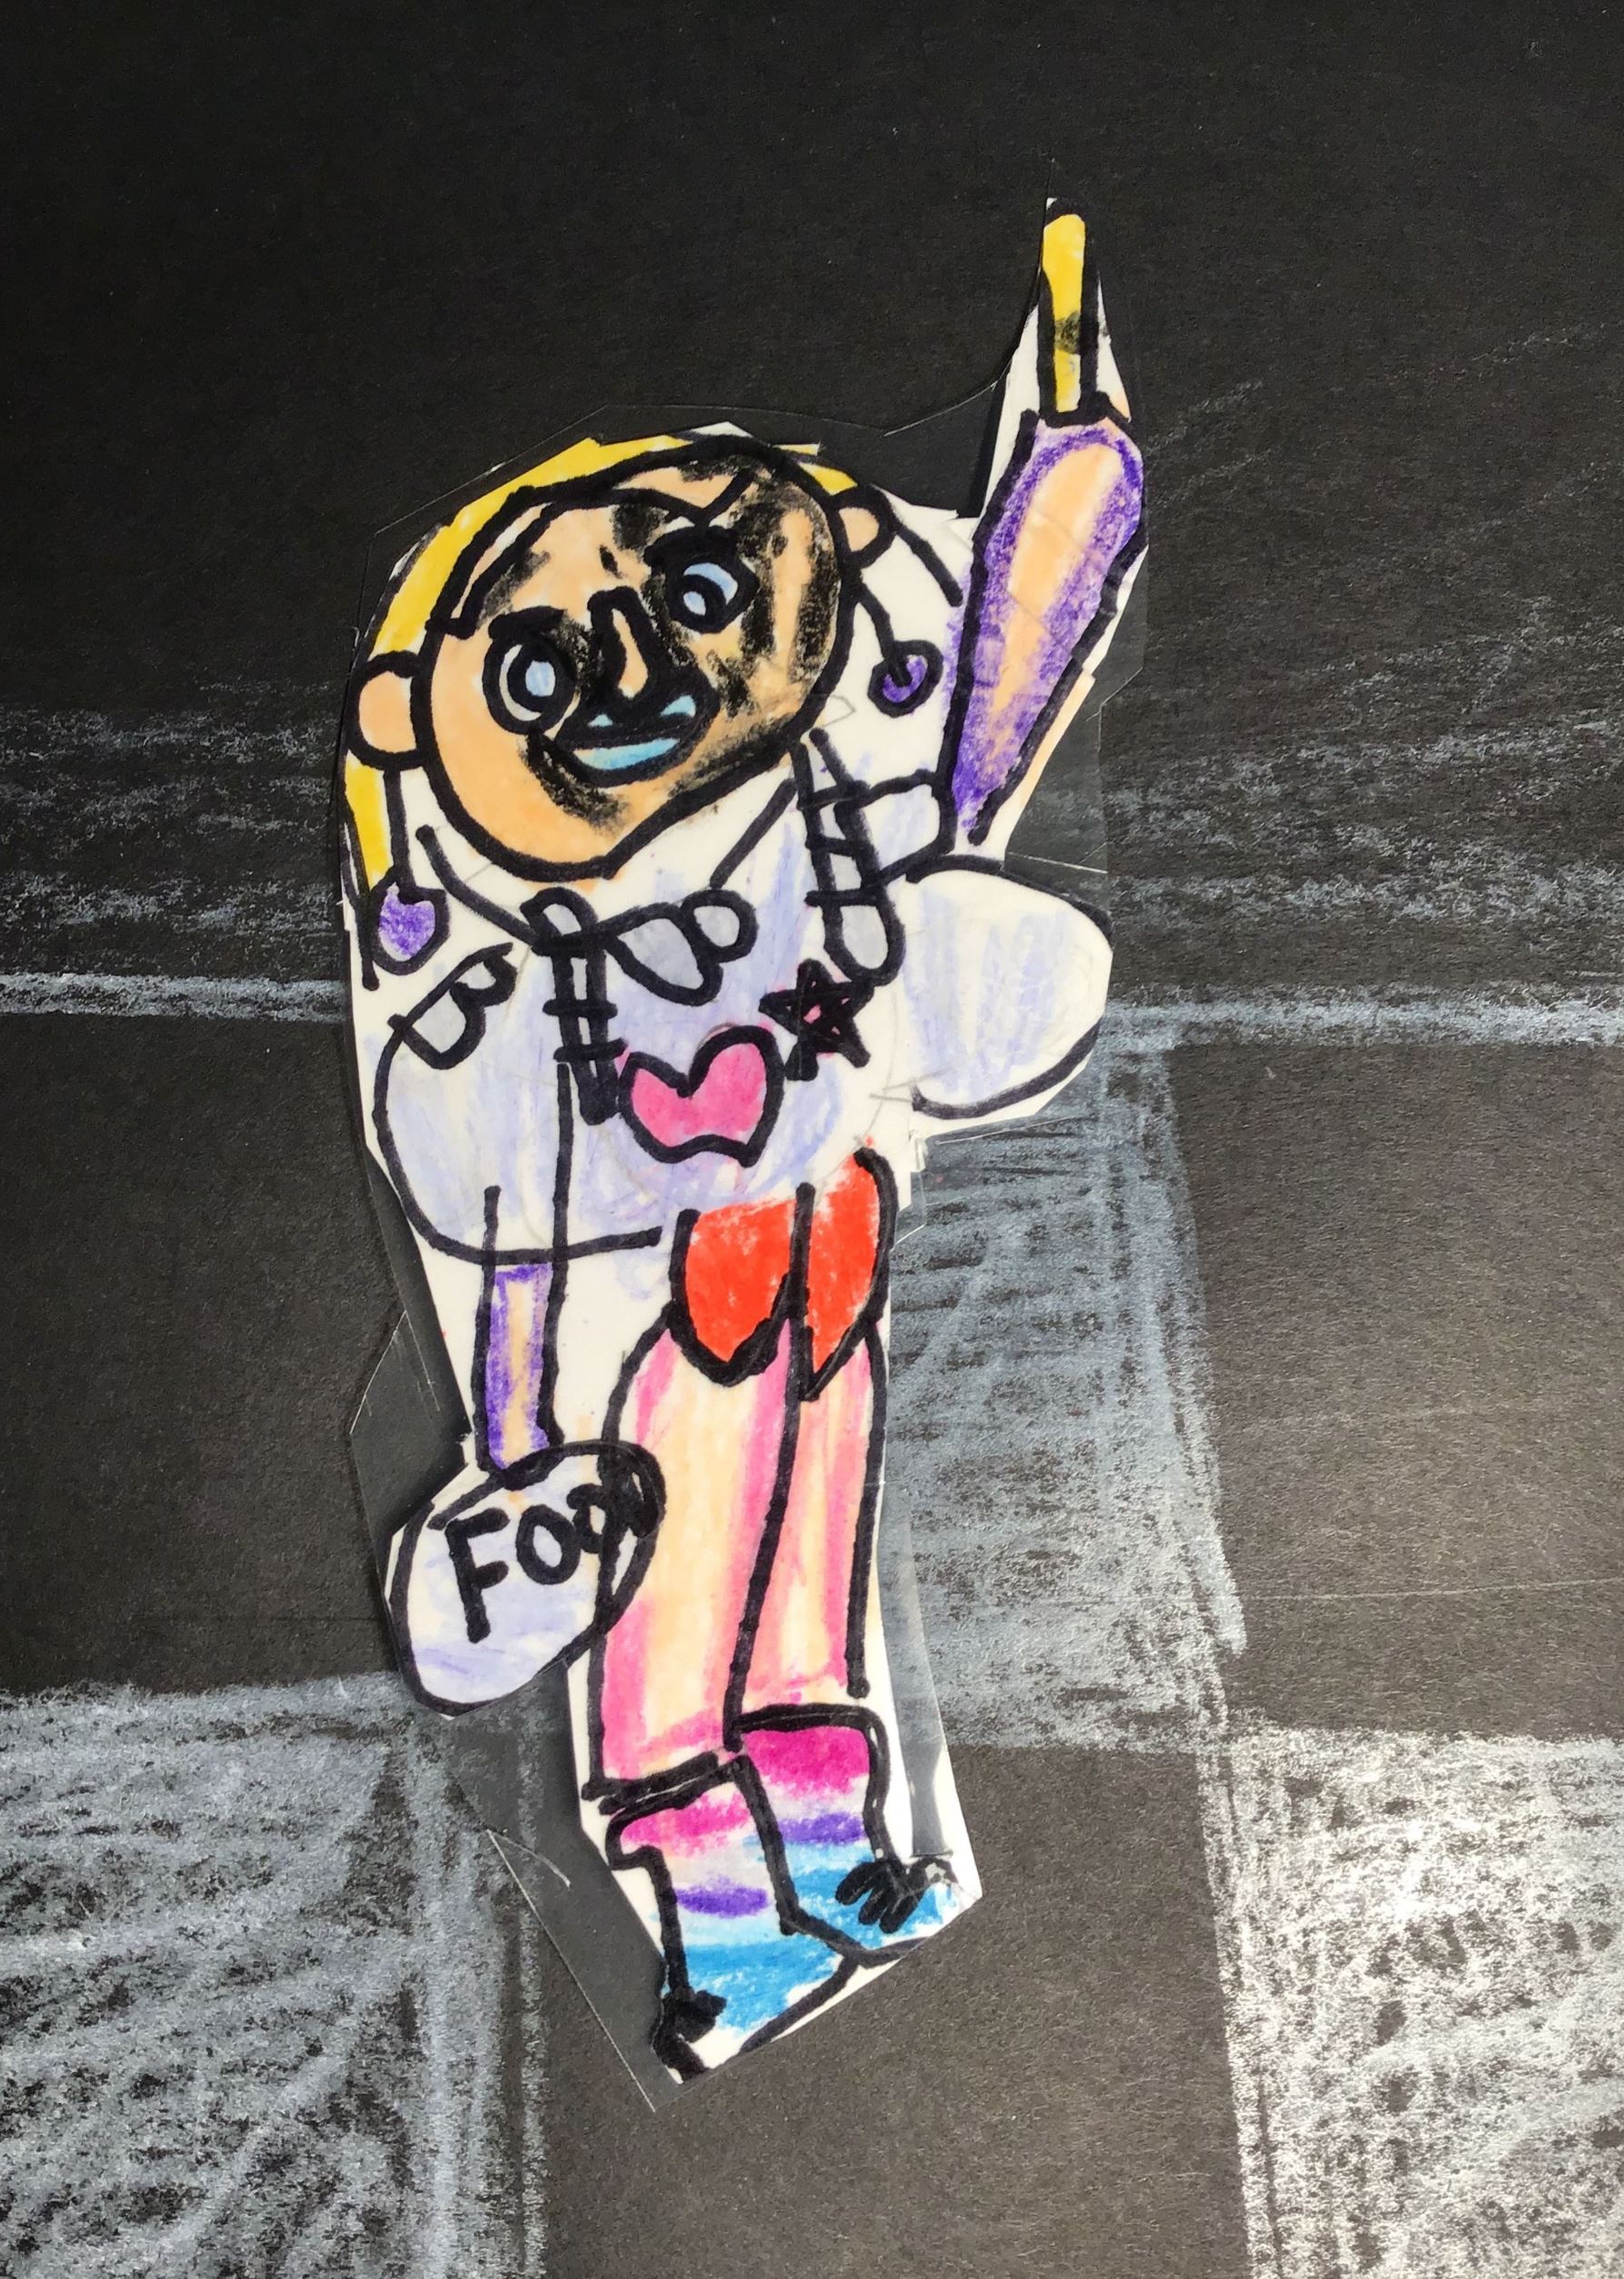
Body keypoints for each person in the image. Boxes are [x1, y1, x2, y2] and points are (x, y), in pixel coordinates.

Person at [343, 207, 1145, 2075]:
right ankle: (711, 1907)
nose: (634, 677)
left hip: (828, 1270)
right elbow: (508, 1219)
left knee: (811, 1556)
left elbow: (997, 715)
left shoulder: (841, 829)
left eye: (695, 587)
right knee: (674, 1594)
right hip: (671, 1319)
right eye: (539, 673)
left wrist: (1070, 468)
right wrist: (517, 1448)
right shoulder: (533, 973)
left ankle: (836, 1833)